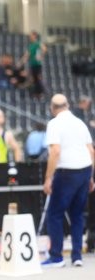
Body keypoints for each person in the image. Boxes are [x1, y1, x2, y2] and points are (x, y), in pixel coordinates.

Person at [41, 94, 95, 267]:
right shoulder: (80, 123)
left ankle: (56, 256)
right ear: (68, 105)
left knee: (55, 214)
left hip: (67, 172)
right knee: (77, 214)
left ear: (52, 108)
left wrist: (48, 178)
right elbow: (92, 151)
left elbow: (55, 152)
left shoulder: (54, 124)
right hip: (84, 170)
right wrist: (91, 176)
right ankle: (77, 256)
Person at [20, 31, 47, 99]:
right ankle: (36, 93)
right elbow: (27, 54)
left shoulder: (37, 43)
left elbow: (44, 49)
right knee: (34, 79)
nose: (30, 37)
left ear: (35, 36)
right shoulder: (31, 45)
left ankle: (41, 92)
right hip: (32, 64)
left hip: (37, 64)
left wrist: (41, 56)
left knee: (37, 78)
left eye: (31, 35)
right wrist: (22, 61)